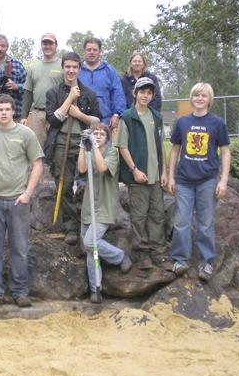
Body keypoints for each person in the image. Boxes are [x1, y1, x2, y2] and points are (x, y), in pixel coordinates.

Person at [0, 94, 44, 308]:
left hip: (18, 201)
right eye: (0, 109)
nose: (4, 112)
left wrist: (28, 193)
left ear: (13, 110)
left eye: (7, 109)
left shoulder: (26, 134)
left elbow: (37, 164)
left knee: (20, 249)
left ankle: (19, 291)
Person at [167, 82, 231, 281]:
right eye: (196, 95)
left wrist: (224, 180)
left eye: (204, 96)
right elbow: (175, 149)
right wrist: (171, 176)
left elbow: (225, 151)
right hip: (185, 180)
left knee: (205, 223)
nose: (200, 99)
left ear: (209, 100)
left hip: (208, 180)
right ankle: (179, 260)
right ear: (192, 98)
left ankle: (207, 263)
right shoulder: (182, 122)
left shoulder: (217, 123)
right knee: (181, 222)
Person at [45, 52, 101, 246]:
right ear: (62, 68)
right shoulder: (53, 93)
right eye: (67, 67)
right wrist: (69, 99)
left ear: (79, 69)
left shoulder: (89, 94)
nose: (70, 70)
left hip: (84, 143)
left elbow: (97, 122)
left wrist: (79, 115)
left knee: (92, 183)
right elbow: (52, 119)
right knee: (65, 184)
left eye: (74, 67)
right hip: (61, 143)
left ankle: (93, 222)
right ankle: (71, 227)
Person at [115, 77, 170, 270]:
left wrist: (164, 171)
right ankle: (142, 253)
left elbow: (160, 144)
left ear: (152, 95)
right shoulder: (127, 117)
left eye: (149, 92)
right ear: (135, 93)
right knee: (139, 216)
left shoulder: (156, 116)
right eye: (142, 92)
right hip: (138, 177)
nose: (145, 95)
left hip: (155, 176)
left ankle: (159, 252)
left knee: (157, 214)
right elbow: (122, 146)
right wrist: (134, 170)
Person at [77, 123, 132, 304]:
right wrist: (82, 146)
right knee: (89, 250)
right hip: (89, 206)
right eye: (95, 133)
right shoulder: (88, 150)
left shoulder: (112, 153)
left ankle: (120, 256)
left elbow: (102, 168)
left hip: (105, 205)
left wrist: (93, 146)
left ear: (107, 138)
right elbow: (82, 170)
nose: (98, 135)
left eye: (102, 134)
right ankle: (96, 289)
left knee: (91, 241)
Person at [20, 32, 63, 146]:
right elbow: (28, 92)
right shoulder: (34, 68)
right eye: (45, 43)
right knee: (37, 148)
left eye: (50, 43)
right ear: (41, 45)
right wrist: (24, 116)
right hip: (37, 114)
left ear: (56, 45)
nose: (47, 46)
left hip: (57, 113)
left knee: (57, 147)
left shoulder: (64, 66)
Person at [78, 37, 126, 131]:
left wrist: (116, 114)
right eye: (89, 49)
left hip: (104, 122)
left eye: (95, 50)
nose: (91, 52)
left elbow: (118, 93)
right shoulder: (77, 70)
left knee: (104, 146)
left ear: (100, 52)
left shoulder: (109, 70)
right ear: (84, 51)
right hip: (80, 121)